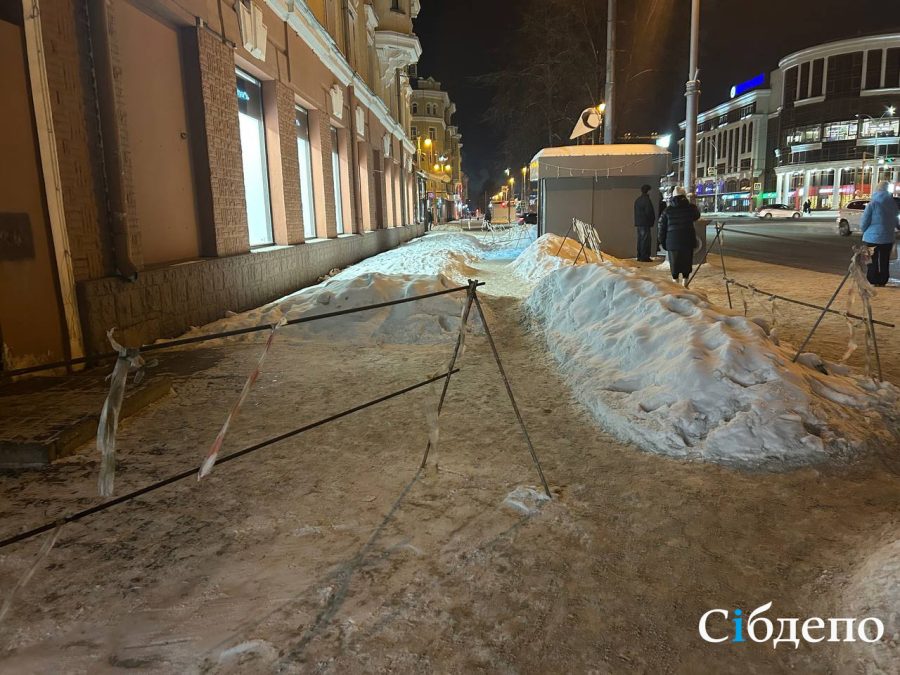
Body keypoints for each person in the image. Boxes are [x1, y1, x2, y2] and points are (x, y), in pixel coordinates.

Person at [658, 186, 701, 286]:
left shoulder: (667, 211)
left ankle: (675, 284)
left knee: (675, 264)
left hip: (672, 242)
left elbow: (661, 227)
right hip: (687, 241)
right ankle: (685, 283)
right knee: (686, 262)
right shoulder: (690, 208)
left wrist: (662, 241)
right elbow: (697, 215)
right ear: (684, 196)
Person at [860, 181, 900, 287]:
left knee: (871, 260)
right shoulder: (893, 204)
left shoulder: (872, 204)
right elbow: (896, 221)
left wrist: (864, 230)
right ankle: (883, 279)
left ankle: (873, 279)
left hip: (871, 238)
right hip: (888, 238)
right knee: (884, 260)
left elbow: (865, 221)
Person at [633, 184, 656, 261]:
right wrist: (652, 220)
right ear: (648, 191)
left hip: (639, 223)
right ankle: (644, 256)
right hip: (645, 223)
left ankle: (639, 255)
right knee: (645, 240)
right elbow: (649, 212)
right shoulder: (646, 200)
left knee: (640, 239)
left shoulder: (638, 200)